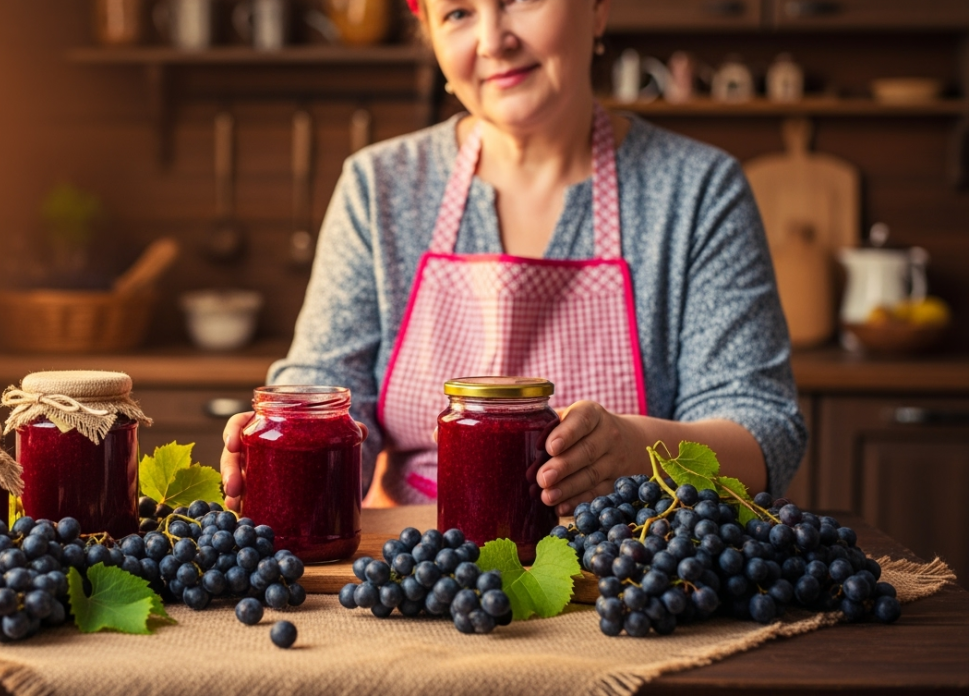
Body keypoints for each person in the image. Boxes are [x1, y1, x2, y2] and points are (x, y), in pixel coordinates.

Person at [220, 0, 806, 515]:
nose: (492, 40)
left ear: (597, 9)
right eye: (457, 13)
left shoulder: (699, 190)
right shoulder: (379, 187)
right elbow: (329, 384)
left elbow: (763, 429)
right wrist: (286, 435)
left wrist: (633, 449)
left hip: (624, 568)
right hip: (418, 564)